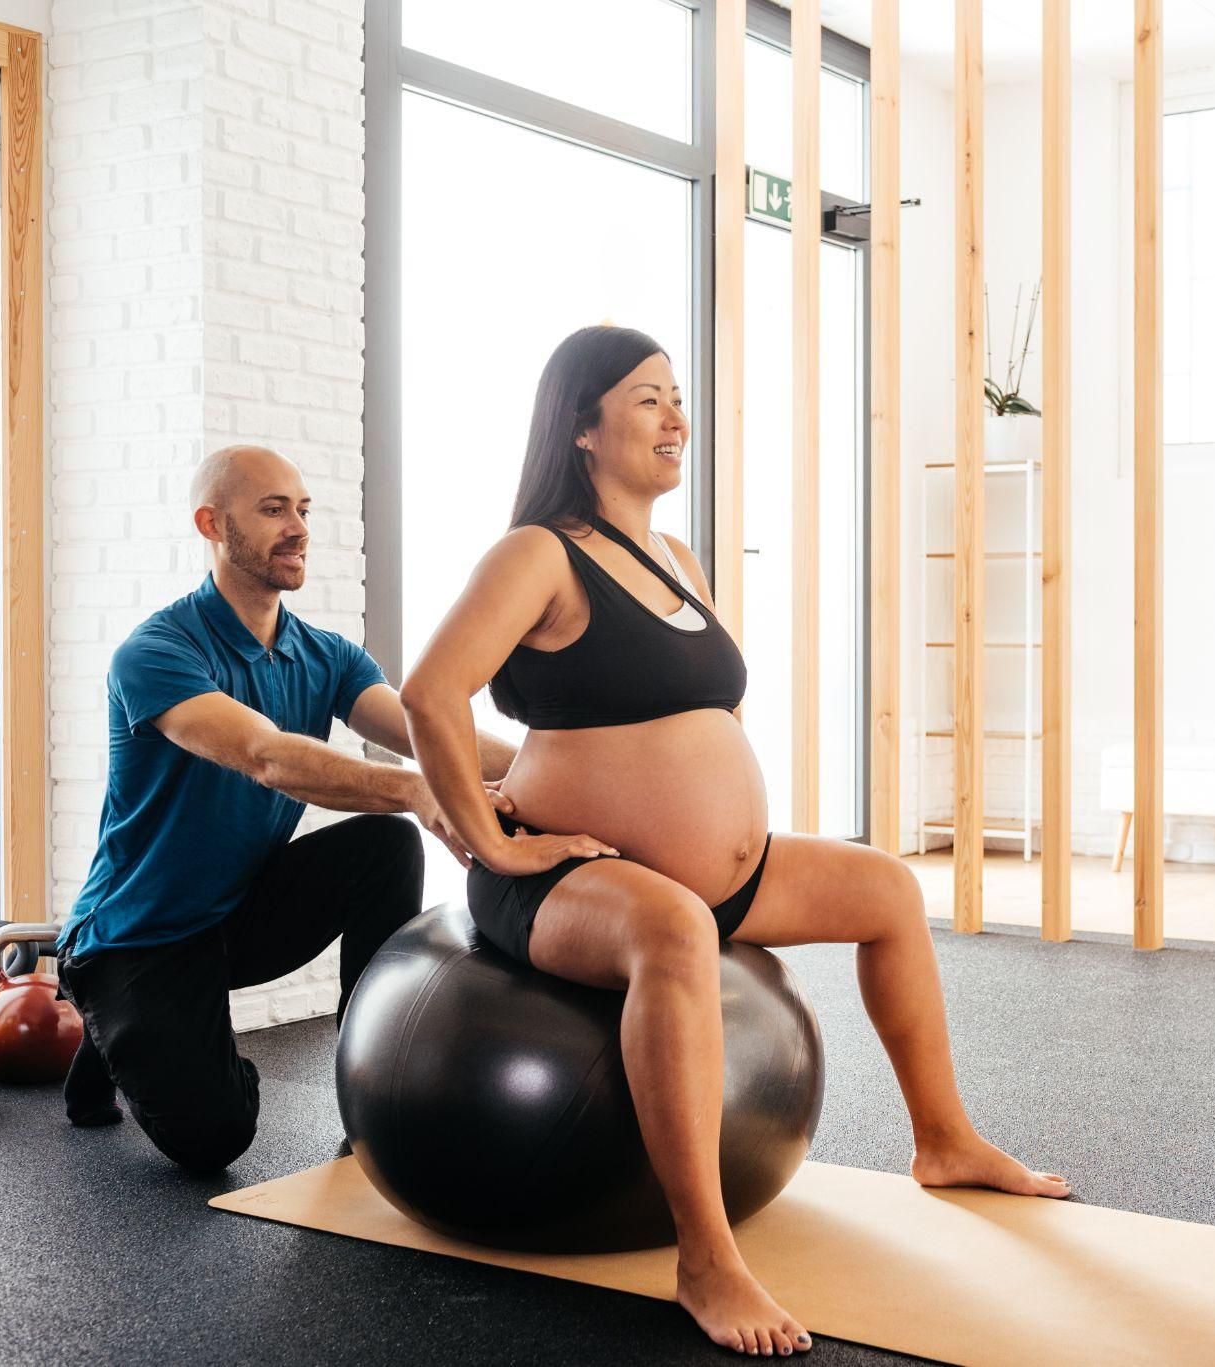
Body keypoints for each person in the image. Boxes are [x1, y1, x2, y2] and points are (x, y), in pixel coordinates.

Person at [401, 327, 1070, 1357]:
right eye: (645, 400)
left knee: (886, 889)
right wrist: (491, 842)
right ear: (581, 426)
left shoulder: (675, 557)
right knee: (671, 926)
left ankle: (942, 1139)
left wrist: (728, 824)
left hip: (709, 871)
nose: (676, 419)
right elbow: (430, 693)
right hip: (568, 875)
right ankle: (705, 1255)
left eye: (677, 397)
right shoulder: (537, 552)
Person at [58, 444, 515, 1172]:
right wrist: (418, 789)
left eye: (303, 509)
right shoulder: (156, 651)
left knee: (386, 847)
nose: (298, 527)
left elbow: (422, 731)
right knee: (217, 1139)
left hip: (238, 912)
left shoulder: (325, 654)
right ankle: (117, 1015)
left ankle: (371, 1081)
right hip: (141, 934)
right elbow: (267, 756)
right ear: (212, 523)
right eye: (274, 510)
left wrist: (549, 769)